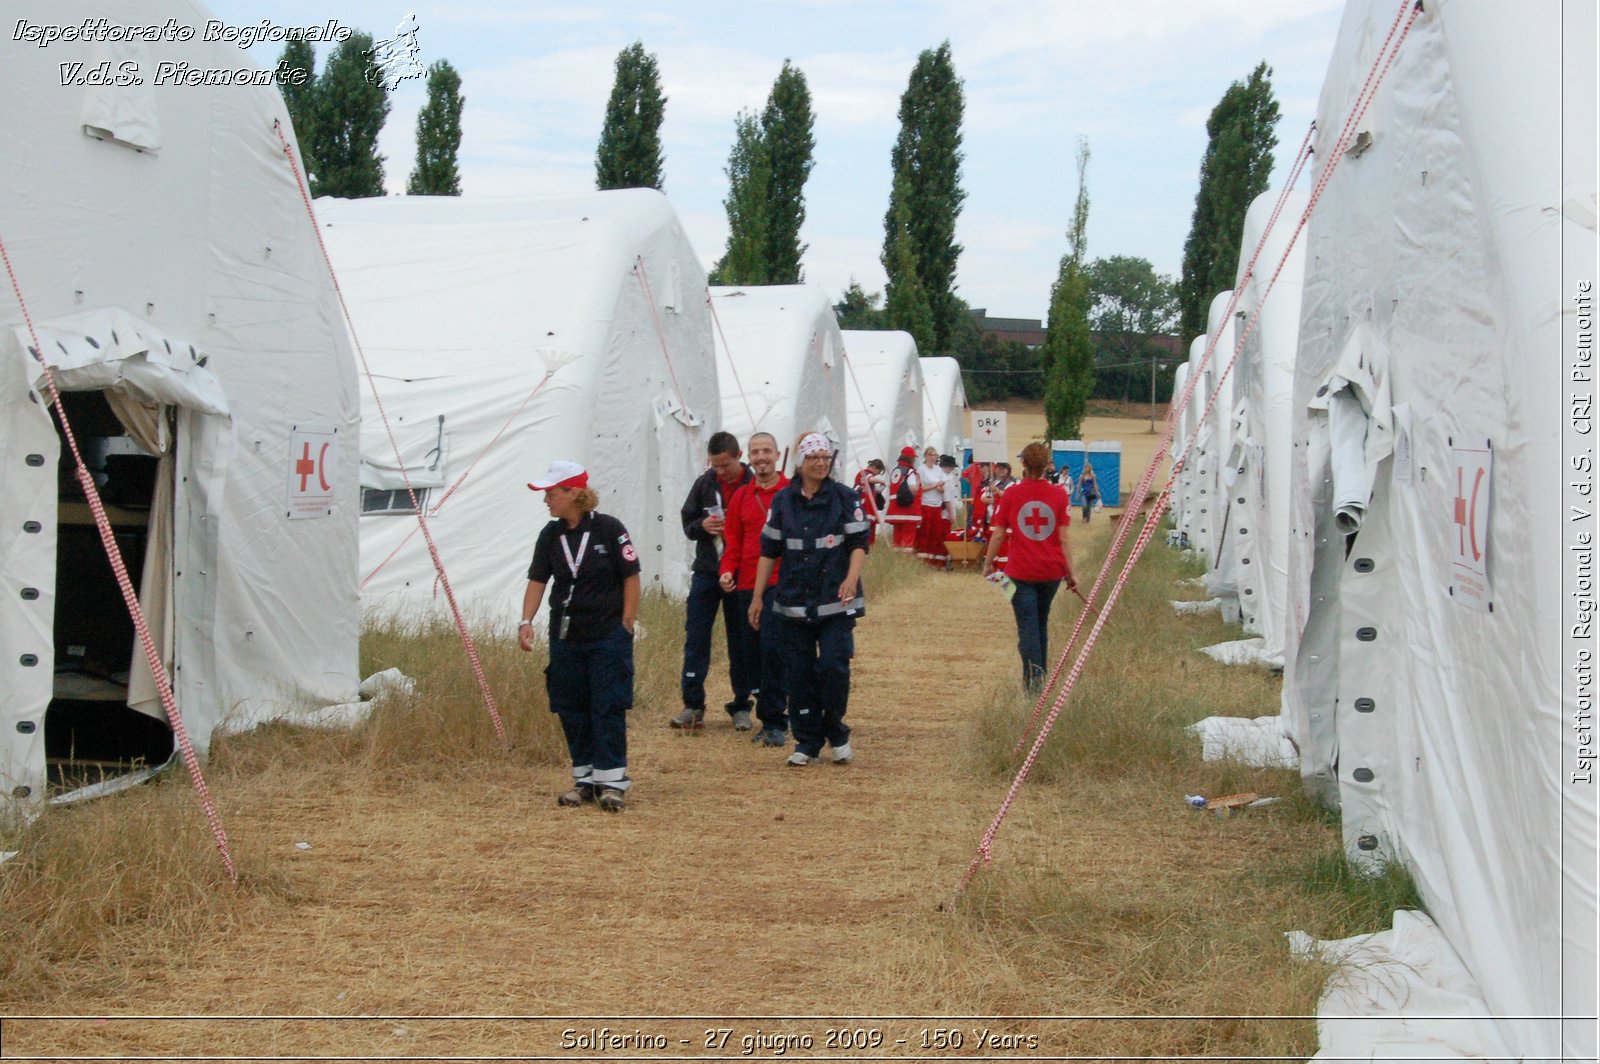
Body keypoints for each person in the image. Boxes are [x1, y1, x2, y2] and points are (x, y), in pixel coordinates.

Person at [518, 461, 641, 812]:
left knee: (607, 706)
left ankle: (612, 781)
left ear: (574, 494)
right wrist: (525, 620)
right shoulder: (550, 535)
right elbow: (538, 580)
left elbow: (631, 575)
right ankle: (584, 779)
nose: (546, 501)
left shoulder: (608, 529)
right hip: (566, 636)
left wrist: (627, 623)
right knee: (571, 707)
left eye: (551, 494)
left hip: (607, 635)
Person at [750, 433, 869, 766]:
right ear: (801, 462)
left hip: (835, 600)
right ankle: (807, 741)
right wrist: (757, 597)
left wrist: (850, 578)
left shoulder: (845, 498)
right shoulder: (783, 501)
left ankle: (836, 730)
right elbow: (769, 551)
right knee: (799, 673)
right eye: (813, 457)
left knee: (833, 666)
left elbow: (859, 542)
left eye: (824, 457)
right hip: (794, 601)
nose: (820, 463)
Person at [673, 431, 754, 730]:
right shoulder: (704, 483)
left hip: (741, 575)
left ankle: (742, 705)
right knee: (696, 637)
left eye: (725, 465)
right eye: (714, 465)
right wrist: (702, 525)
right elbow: (687, 522)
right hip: (707, 573)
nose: (719, 471)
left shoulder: (754, 483)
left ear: (738, 456)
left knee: (740, 640)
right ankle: (693, 705)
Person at [982, 443, 1077, 690]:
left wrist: (988, 563)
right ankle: (1038, 677)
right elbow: (1064, 539)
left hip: (1018, 573)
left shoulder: (1012, 494)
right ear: (1047, 466)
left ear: (1023, 464)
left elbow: (999, 534)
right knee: (1040, 622)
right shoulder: (1059, 495)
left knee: (1027, 626)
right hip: (1052, 572)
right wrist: (1071, 573)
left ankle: (1033, 682)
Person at [719, 432, 790, 747]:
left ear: (776, 455)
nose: (761, 457)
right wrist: (725, 571)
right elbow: (732, 540)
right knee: (753, 656)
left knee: (773, 650)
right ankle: (772, 716)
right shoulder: (741, 498)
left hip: (781, 584)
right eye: (755, 452)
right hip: (746, 585)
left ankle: (776, 721)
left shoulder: (791, 493)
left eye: (766, 451)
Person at [914, 445, 950, 568]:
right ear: (925, 456)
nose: (933, 457)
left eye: (934, 455)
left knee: (936, 532)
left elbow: (943, 484)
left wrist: (940, 488)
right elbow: (920, 488)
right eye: (930, 455)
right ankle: (923, 559)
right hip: (926, 503)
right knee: (925, 531)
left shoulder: (938, 470)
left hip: (937, 504)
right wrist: (935, 485)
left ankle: (934, 560)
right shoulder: (921, 469)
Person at [883, 445, 921, 551]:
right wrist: (918, 484)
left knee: (897, 538)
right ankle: (906, 560)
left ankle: (896, 560)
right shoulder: (910, 472)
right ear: (910, 458)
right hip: (908, 510)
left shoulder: (896, 471)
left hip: (895, 508)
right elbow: (914, 489)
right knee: (908, 539)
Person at [853, 458, 887, 532]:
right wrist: (882, 481)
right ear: (874, 467)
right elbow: (870, 479)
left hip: (868, 509)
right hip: (863, 508)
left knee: (870, 534)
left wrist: (879, 490)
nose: (877, 474)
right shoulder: (864, 473)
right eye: (879, 471)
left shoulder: (869, 481)